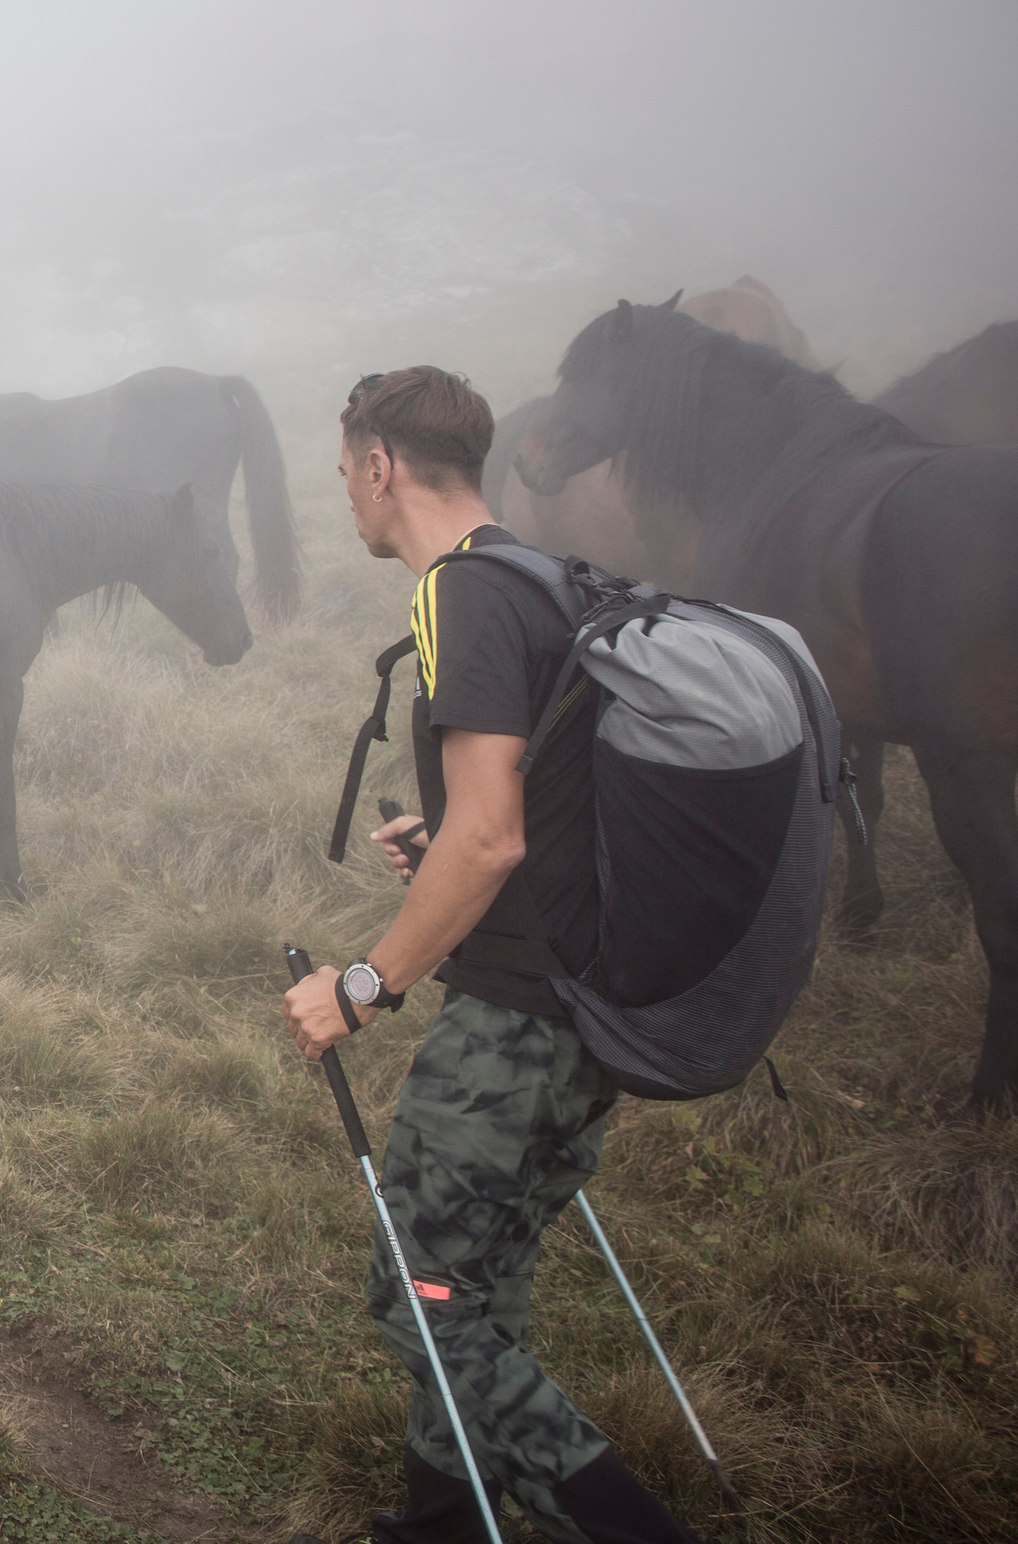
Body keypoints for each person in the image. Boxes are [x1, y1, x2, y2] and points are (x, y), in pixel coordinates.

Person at [280, 368, 699, 1544]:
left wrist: (360, 986)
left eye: (344, 476)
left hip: (513, 1030)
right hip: (580, 1011)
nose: (349, 501)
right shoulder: (540, 573)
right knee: (477, 1285)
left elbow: (491, 832)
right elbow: (531, 807)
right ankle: (446, 1517)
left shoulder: (458, 595)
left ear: (378, 466)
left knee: (416, 1303)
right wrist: (448, 845)